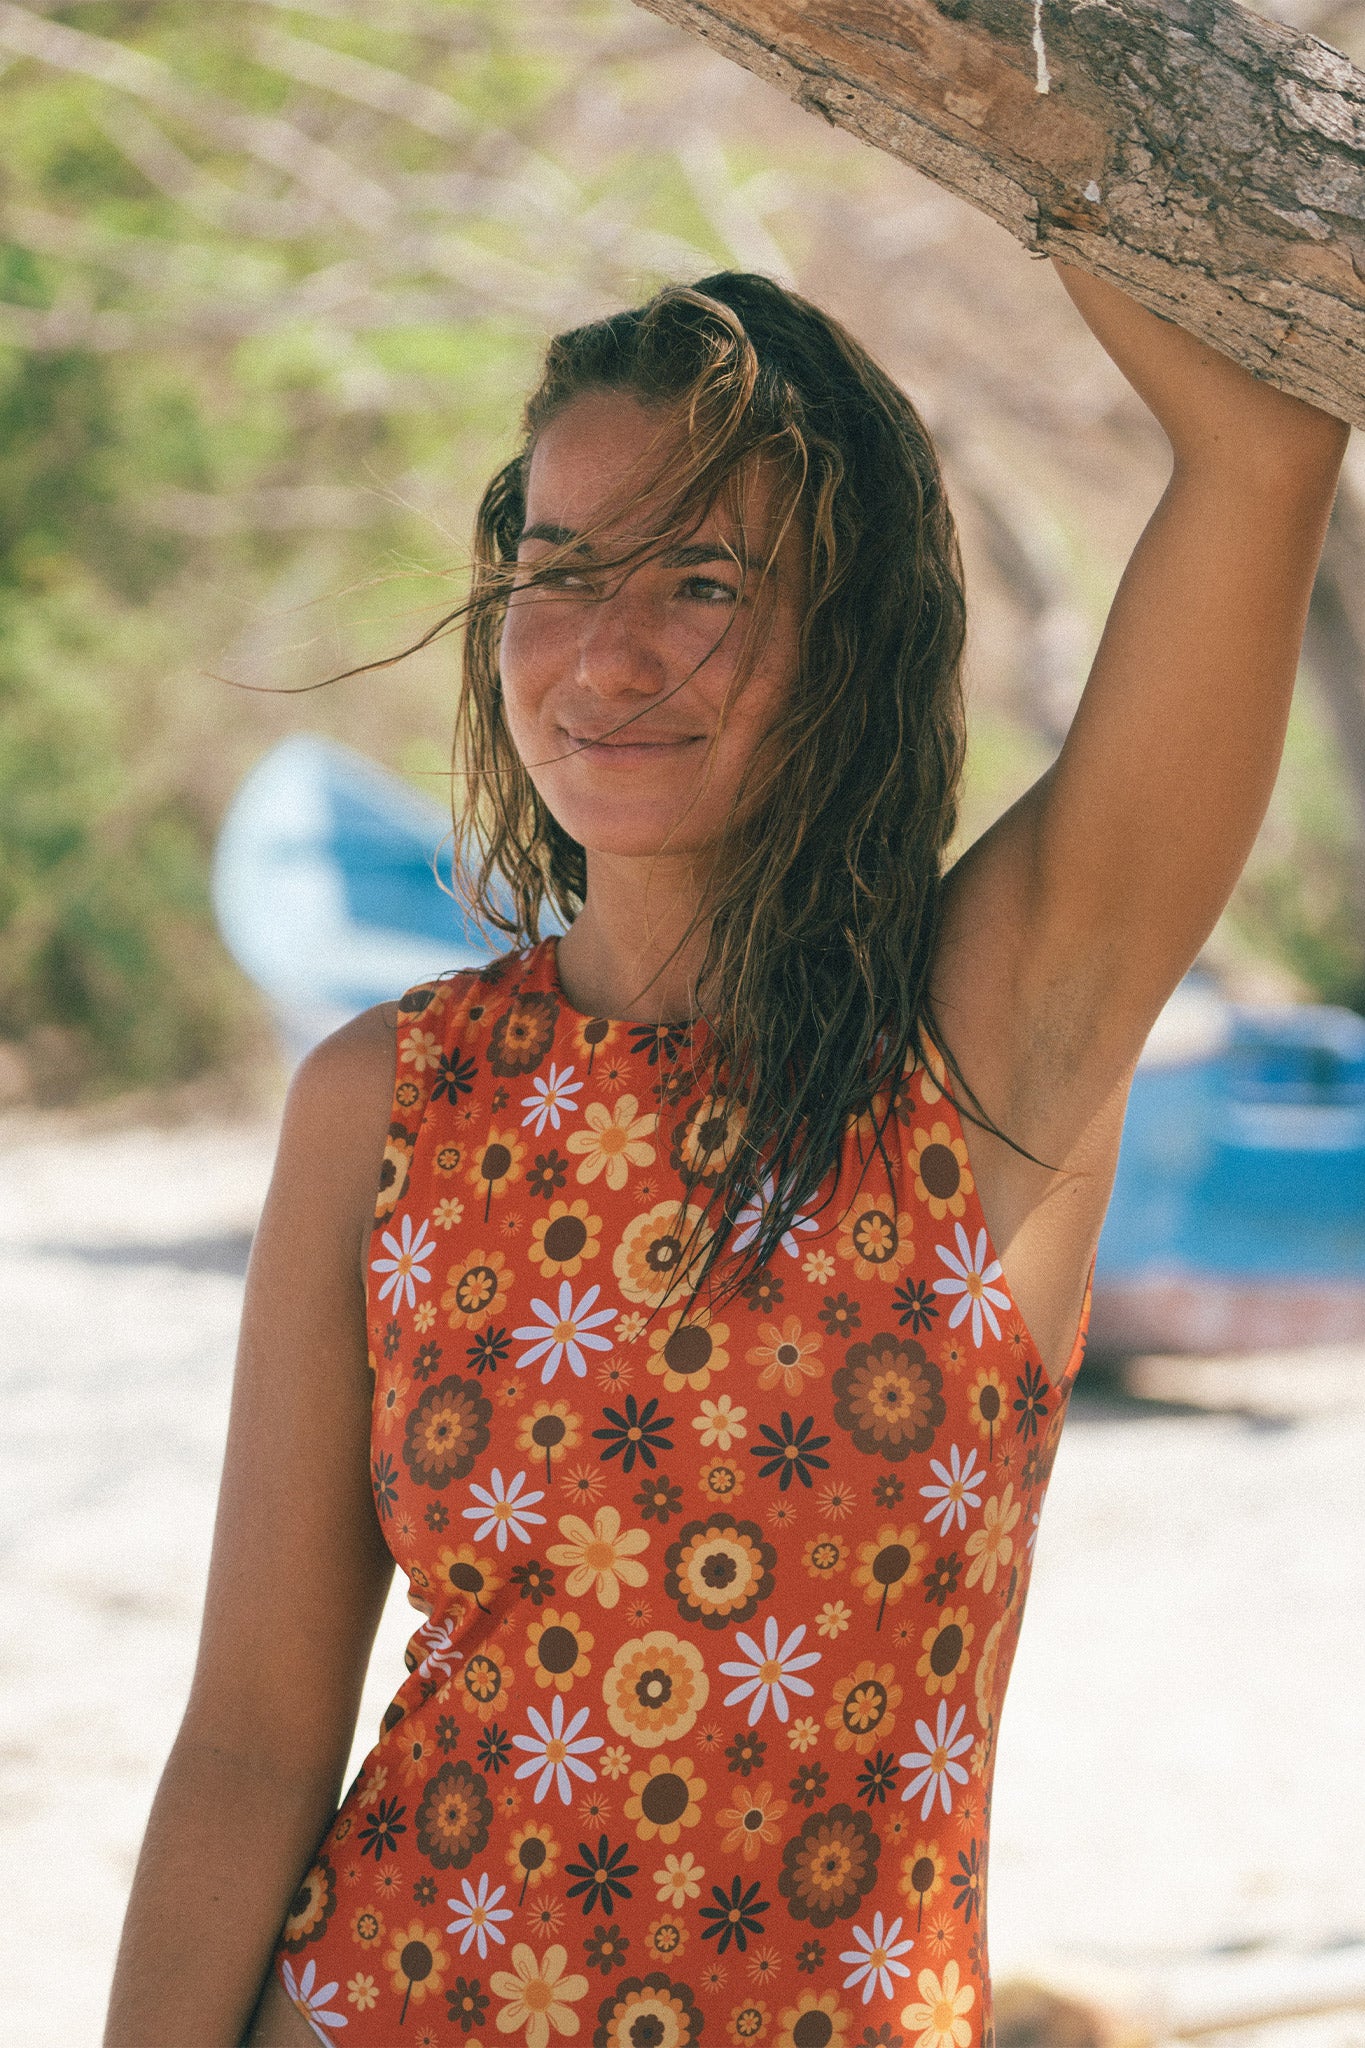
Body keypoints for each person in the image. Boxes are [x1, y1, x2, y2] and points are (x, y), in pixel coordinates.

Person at [104, 262, 1348, 2048]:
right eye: (558, 571)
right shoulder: (386, 1097)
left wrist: (1030, 91)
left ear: (851, 632)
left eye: (704, 581)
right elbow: (250, 1736)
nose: (608, 652)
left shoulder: (991, 1038)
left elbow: (1263, 449)